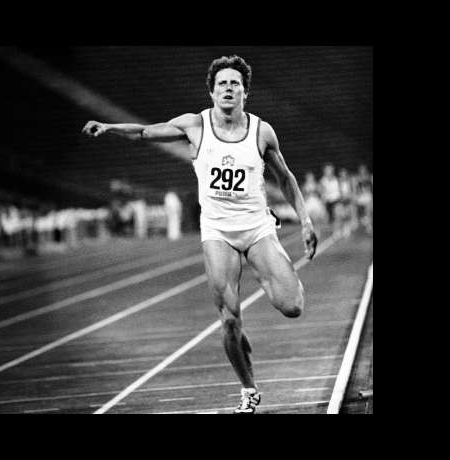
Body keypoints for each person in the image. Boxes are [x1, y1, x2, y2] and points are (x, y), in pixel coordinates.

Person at [82, 55, 316, 414]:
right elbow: (145, 132)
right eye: (222, 83)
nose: (228, 88)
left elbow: (285, 177)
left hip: (256, 226)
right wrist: (109, 127)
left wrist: (306, 221)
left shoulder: (262, 132)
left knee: (293, 306)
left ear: (245, 92)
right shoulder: (195, 126)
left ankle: (267, 279)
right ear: (212, 91)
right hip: (217, 232)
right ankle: (249, 389)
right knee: (230, 320)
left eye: (235, 83)